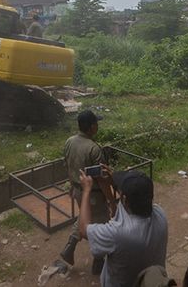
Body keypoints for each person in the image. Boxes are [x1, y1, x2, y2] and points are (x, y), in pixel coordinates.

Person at [80, 169, 168, 287]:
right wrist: (113, 182)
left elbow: (83, 229)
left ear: (124, 199)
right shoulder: (160, 215)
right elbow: (135, 198)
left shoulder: (118, 234)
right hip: (152, 281)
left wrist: (86, 190)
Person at [58, 110, 116, 272]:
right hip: (94, 195)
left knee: (85, 216)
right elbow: (102, 180)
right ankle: (98, 262)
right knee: (101, 223)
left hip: (78, 191)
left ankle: (70, 246)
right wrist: (111, 200)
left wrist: (72, 185)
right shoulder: (94, 149)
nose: (97, 126)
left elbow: (69, 166)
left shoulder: (70, 141)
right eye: (96, 123)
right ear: (91, 127)